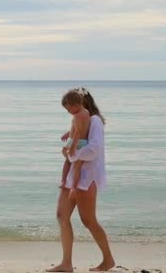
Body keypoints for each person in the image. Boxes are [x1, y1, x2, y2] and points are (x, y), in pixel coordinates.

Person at [47, 87, 115, 272]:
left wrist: (72, 155)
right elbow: (76, 137)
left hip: (87, 178)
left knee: (88, 221)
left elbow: (94, 150)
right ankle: (66, 263)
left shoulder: (95, 121)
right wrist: (69, 147)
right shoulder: (79, 120)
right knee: (62, 216)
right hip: (71, 177)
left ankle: (108, 259)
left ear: (82, 102)